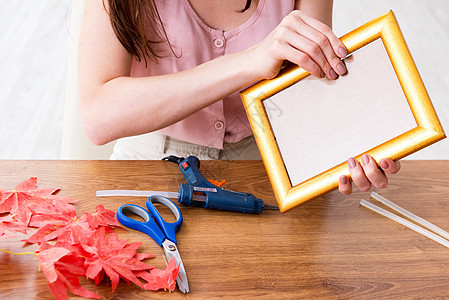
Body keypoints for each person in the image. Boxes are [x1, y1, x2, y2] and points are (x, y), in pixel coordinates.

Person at [78, 0, 401, 195]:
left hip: (271, 162)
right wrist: (247, 62)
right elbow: (98, 115)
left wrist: (351, 145)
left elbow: (311, 81)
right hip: (149, 164)